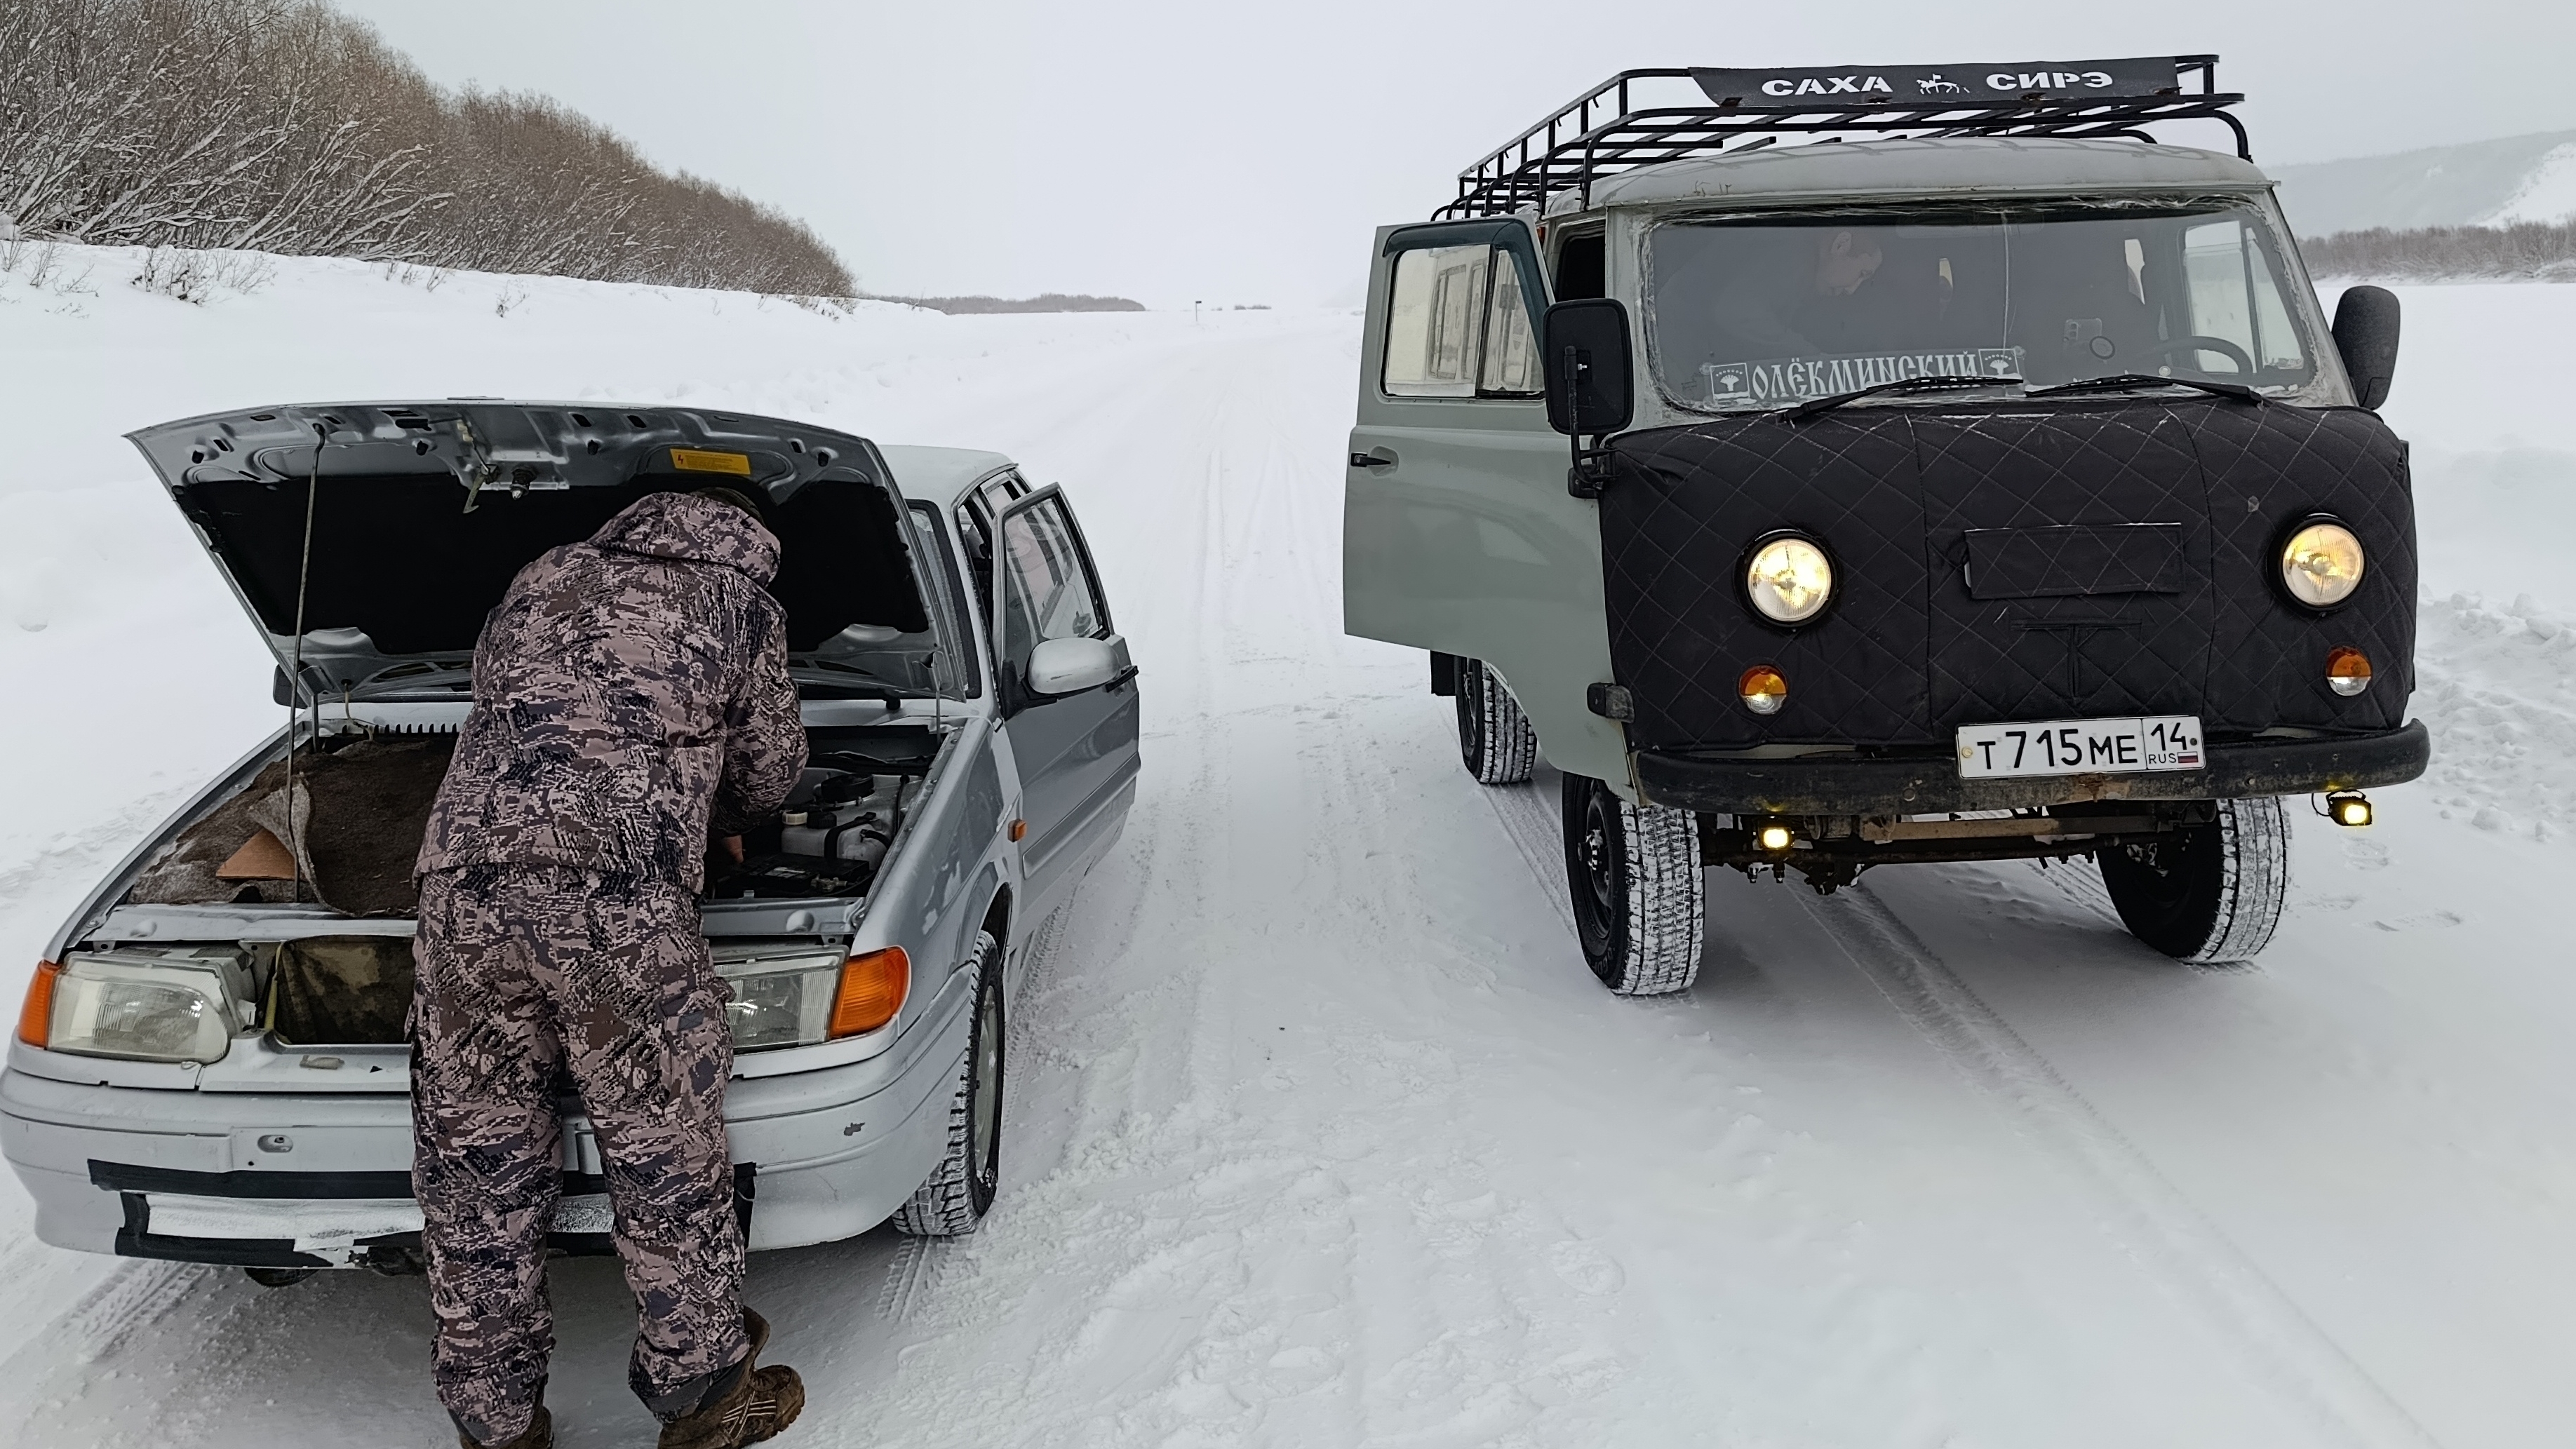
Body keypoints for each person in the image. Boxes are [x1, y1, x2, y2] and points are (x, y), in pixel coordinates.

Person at [410, 486, 810, 1449]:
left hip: (463, 899)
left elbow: (503, 704)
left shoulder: (542, 573)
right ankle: (705, 1400)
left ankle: (497, 1422)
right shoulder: (741, 604)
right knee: (665, 1153)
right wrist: (720, 814)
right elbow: (770, 770)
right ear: (751, 536)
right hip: (617, 907)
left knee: (476, 1165)